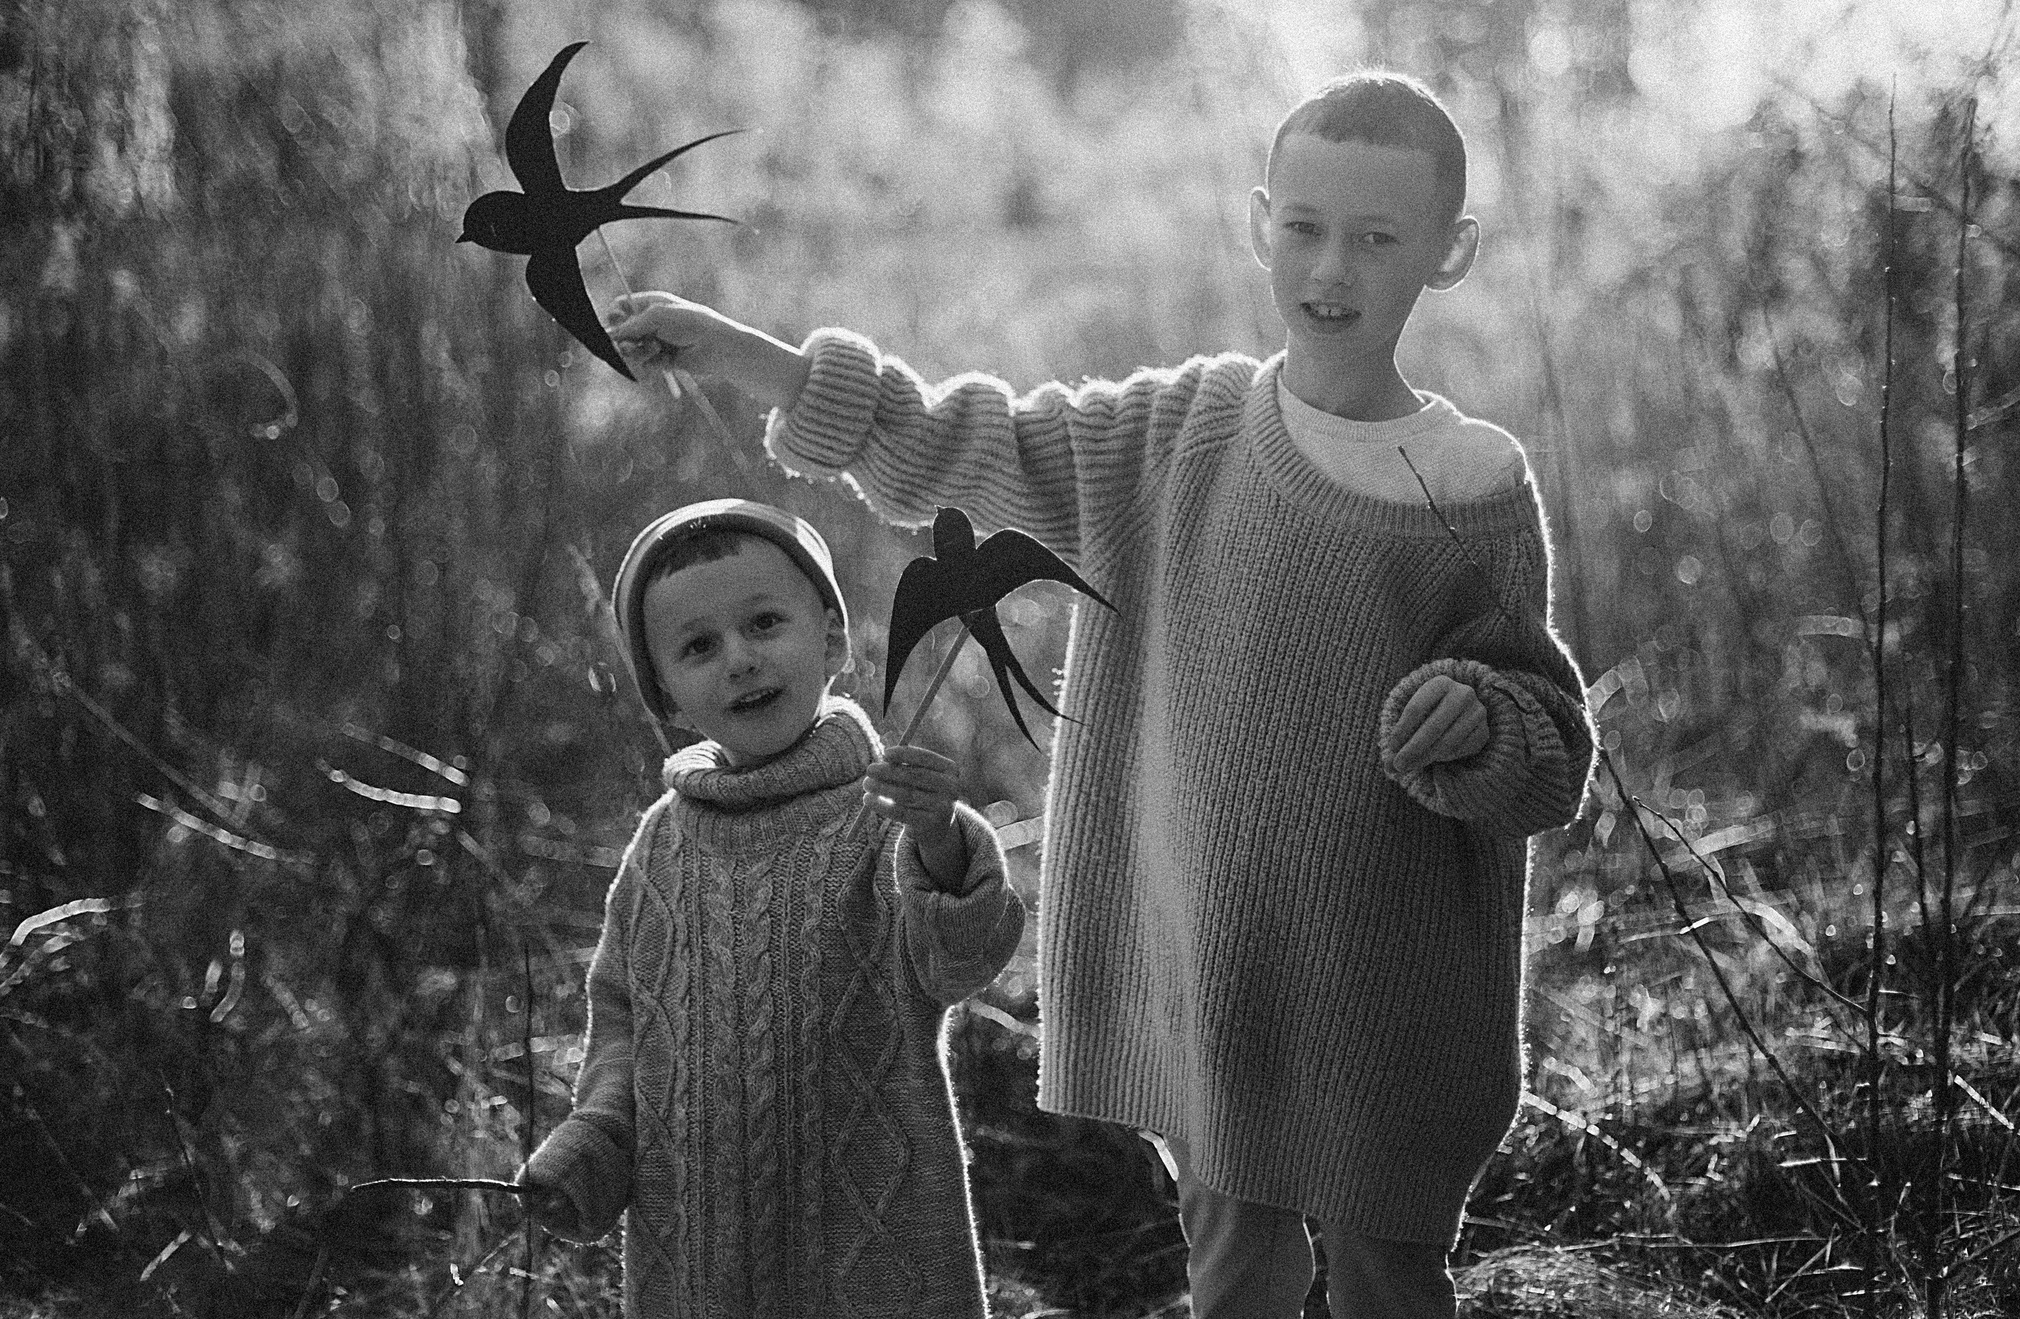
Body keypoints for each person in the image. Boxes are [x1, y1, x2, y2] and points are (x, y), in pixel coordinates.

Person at [605, 73, 1596, 1319]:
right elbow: (974, 441)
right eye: (1302, 227)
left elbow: (1548, 743)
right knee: (1235, 1278)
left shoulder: (1467, 478)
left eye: (1376, 237)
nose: (1330, 268)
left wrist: (1481, 719)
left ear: (1447, 254)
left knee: (1391, 1283)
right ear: (1257, 224)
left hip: (1383, 995)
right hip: (1207, 970)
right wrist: (750, 357)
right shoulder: (1173, 432)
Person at [515, 497, 1026, 1319]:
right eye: (699, 646)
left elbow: (961, 957)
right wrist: (594, 1144)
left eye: (763, 623)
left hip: (873, 1250)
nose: (741, 660)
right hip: (698, 1254)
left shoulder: (881, 817)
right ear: (668, 697)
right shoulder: (660, 850)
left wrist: (937, 836)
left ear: (830, 638)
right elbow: (621, 1025)